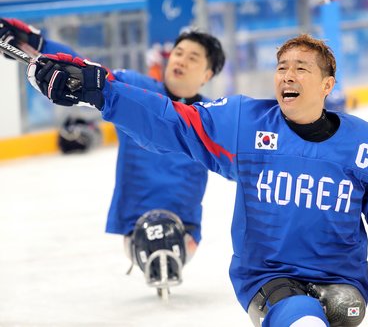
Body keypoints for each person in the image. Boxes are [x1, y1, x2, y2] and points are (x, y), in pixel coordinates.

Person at [26, 33, 368, 327]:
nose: (287, 76)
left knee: (343, 310)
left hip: (343, 283)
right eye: (282, 67)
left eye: (301, 68)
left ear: (327, 85)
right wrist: (102, 93)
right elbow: (174, 123)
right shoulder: (244, 123)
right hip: (270, 277)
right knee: (302, 319)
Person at [0, 17, 226, 297]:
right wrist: (35, 43)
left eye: (193, 58)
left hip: (186, 227)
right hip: (134, 222)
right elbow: (86, 72)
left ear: (207, 74)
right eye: (178, 53)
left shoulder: (215, 115)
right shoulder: (135, 90)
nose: (181, 60)